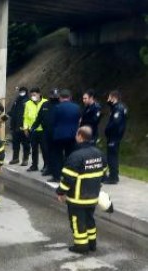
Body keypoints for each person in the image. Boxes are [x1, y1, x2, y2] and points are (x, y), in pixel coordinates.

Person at [56, 126, 107, 254]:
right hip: (92, 196)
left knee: (77, 221)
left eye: (76, 135)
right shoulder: (100, 154)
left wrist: (60, 192)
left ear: (80, 136)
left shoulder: (76, 156)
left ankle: (81, 246)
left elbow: (68, 178)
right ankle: (92, 244)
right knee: (90, 219)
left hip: (77, 198)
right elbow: (104, 174)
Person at [50, 89, 81, 182]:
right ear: (70, 97)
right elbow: (79, 120)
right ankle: (70, 175)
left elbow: (53, 122)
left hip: (59, 136)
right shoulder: (77, 107)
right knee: (71, 156)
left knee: (57, 156)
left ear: (60, 98)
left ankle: (56, 176)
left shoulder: (57, 108)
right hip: (73, 135)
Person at [31, 88, 60, 176]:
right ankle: (48, 167)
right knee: (47, 150)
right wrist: (34, 127)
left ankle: (58, 169)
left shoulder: (60, 105)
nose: (54, 98)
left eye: (56, 96)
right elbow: (39, 118)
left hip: (58, 132)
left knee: (57, 152)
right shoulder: (45, 105)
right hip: (46, 132)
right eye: (52, 96)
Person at [103, 90, 127, 185]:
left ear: (114, 98)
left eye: (109, 97)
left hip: (114, 136)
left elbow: (116, 123)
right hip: (116, 135)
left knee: (112, 156)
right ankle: (114, 175)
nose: (108, 100)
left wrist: (107, 130)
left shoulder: (118, 108)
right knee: (113, 155)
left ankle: (113, 177)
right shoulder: (119, 107)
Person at [22, 87, 47, 171]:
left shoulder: (45, 102)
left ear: (39, 94)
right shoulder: (28, 103)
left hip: (43, 130)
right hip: (32, 130)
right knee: (34, 149)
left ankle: (46, 166)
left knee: (44, 149)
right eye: (31, 95)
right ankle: (34, 165)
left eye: (34, 95)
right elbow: (25, 117)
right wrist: (25, 128)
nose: (33, 96)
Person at [8, 86, 30, 165]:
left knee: (25, 144)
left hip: (24, 126)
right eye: (20, 91)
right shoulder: (17, 101)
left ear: (26, 92)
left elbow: (29, 115)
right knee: (15, 143)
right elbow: (13, 111)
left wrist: (27, 127)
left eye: (23, 91)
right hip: (15, 126)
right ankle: (15, 158)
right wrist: (7, 115)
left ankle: (25, 159)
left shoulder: (28, 102)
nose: (21, 93)